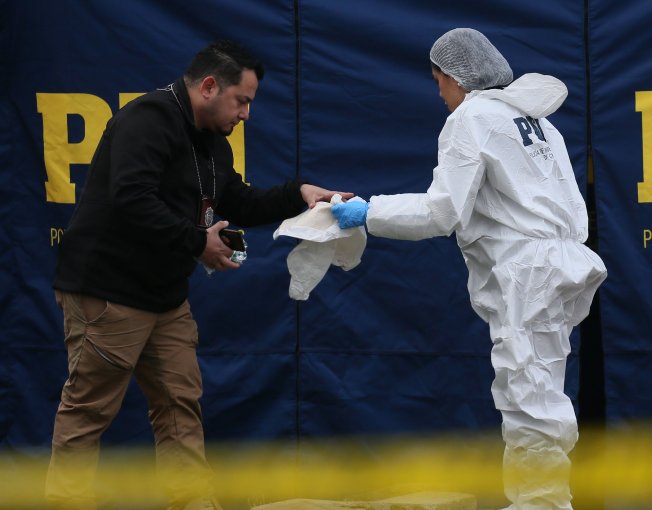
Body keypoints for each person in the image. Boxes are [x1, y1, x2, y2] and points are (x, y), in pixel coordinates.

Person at [48, 40, 352, 510]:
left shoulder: (212, 139)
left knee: (179, 407)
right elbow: (131, 198)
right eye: (242, 100)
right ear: (209, 86)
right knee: (87, 414)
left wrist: (301, 194)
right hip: (107, 295)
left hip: (164, 298)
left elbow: (239, 202)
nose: (246, 114)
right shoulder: (145, 121)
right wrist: (197, 241)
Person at [331, 28, 607, 510]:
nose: (439, 93)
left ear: (455, 77)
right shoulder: (537, 121)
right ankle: (540, 500)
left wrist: (369, 212)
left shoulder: (471, 119)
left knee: (529, 397)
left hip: (528, 272)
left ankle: (541, 504)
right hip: (558, 264)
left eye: (437, 80)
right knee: (539, 388)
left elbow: (442, 212)